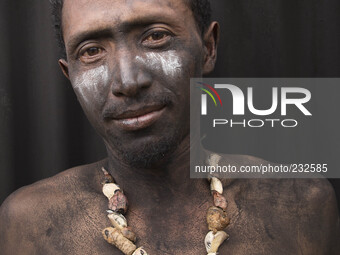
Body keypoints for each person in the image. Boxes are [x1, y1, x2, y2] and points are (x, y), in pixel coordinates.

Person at [0, 0, 339, 254]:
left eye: (156, 36)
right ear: (69, 75)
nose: (128, 81)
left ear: (208, 48)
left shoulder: (301, 205)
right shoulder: (28, 224)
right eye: (91, 51)